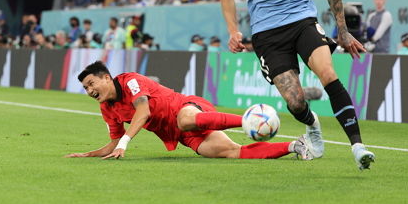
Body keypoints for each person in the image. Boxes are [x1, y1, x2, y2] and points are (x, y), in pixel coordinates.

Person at [219, 0, 375, 170]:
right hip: (267, 34)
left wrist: (343, 31)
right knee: (295, 101)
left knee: (328, 73)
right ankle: (312, 124)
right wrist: (233, 31)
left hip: (302, 22)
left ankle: (358, 146)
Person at [65, 61, 312, 160]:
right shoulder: (107, 108)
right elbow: (113, 142)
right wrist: (88, 155)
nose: (89, 91)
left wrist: (125, 143)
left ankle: (251, 119)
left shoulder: (130, 81)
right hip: (180, 134)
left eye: (91, 84)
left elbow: (143, 113)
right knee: (226, 152)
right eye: (85, 88)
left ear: (106, 78)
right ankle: (295, 146)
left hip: (187, 109)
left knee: (184, 120)